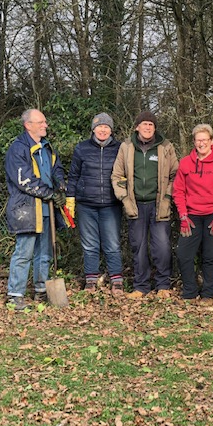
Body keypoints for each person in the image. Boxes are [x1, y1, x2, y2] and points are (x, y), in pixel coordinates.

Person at [111, 111, 179, 299]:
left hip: (159, 205)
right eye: (144, 124)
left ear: (155, 128)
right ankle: (141, 287)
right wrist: (124, 198)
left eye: (151, 124)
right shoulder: (126, 147)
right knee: (138, 247)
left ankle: (163, 285)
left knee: (162, 247)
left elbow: (176, 175)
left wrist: (167, 196)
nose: (148, 127)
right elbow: (116, 176)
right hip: (135, 206)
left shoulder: (165, 147)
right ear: (137, 127)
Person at [5, 108, 66, 310]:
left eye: (45, 122)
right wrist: (49, 193)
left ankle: (41, 289)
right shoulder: (18, 149)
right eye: (40, 122)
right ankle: (15, 294)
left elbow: (57, 170)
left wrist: (60, 187)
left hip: (47, 209)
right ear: (28, 125)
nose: (45, 125)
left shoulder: (47, 147)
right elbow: (24, 180)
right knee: (24, 252)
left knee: (45, 252)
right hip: (28, 209)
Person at [173, 124, 213, 305]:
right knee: (184, 254)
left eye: (205, 140)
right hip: (191, 216)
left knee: (210, 255)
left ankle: (208, 293)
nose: (201, 143)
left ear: (211, 141)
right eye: (198, 140)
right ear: (194, 142)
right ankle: (190, 291)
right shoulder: (185, 163)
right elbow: (178, 191)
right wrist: (183, 216)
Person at [66, 113, 124, 295]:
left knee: (112, 244)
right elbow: (74, 175)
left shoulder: (120, 148)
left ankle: (117, 280)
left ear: (111, 130)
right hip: (86, 204)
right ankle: (91, 279)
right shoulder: (82, 148)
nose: (103, 129)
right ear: (93, 129)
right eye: (99, 126)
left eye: (106, 127)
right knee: (90, 244)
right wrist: (70, 199)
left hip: (111, 203)